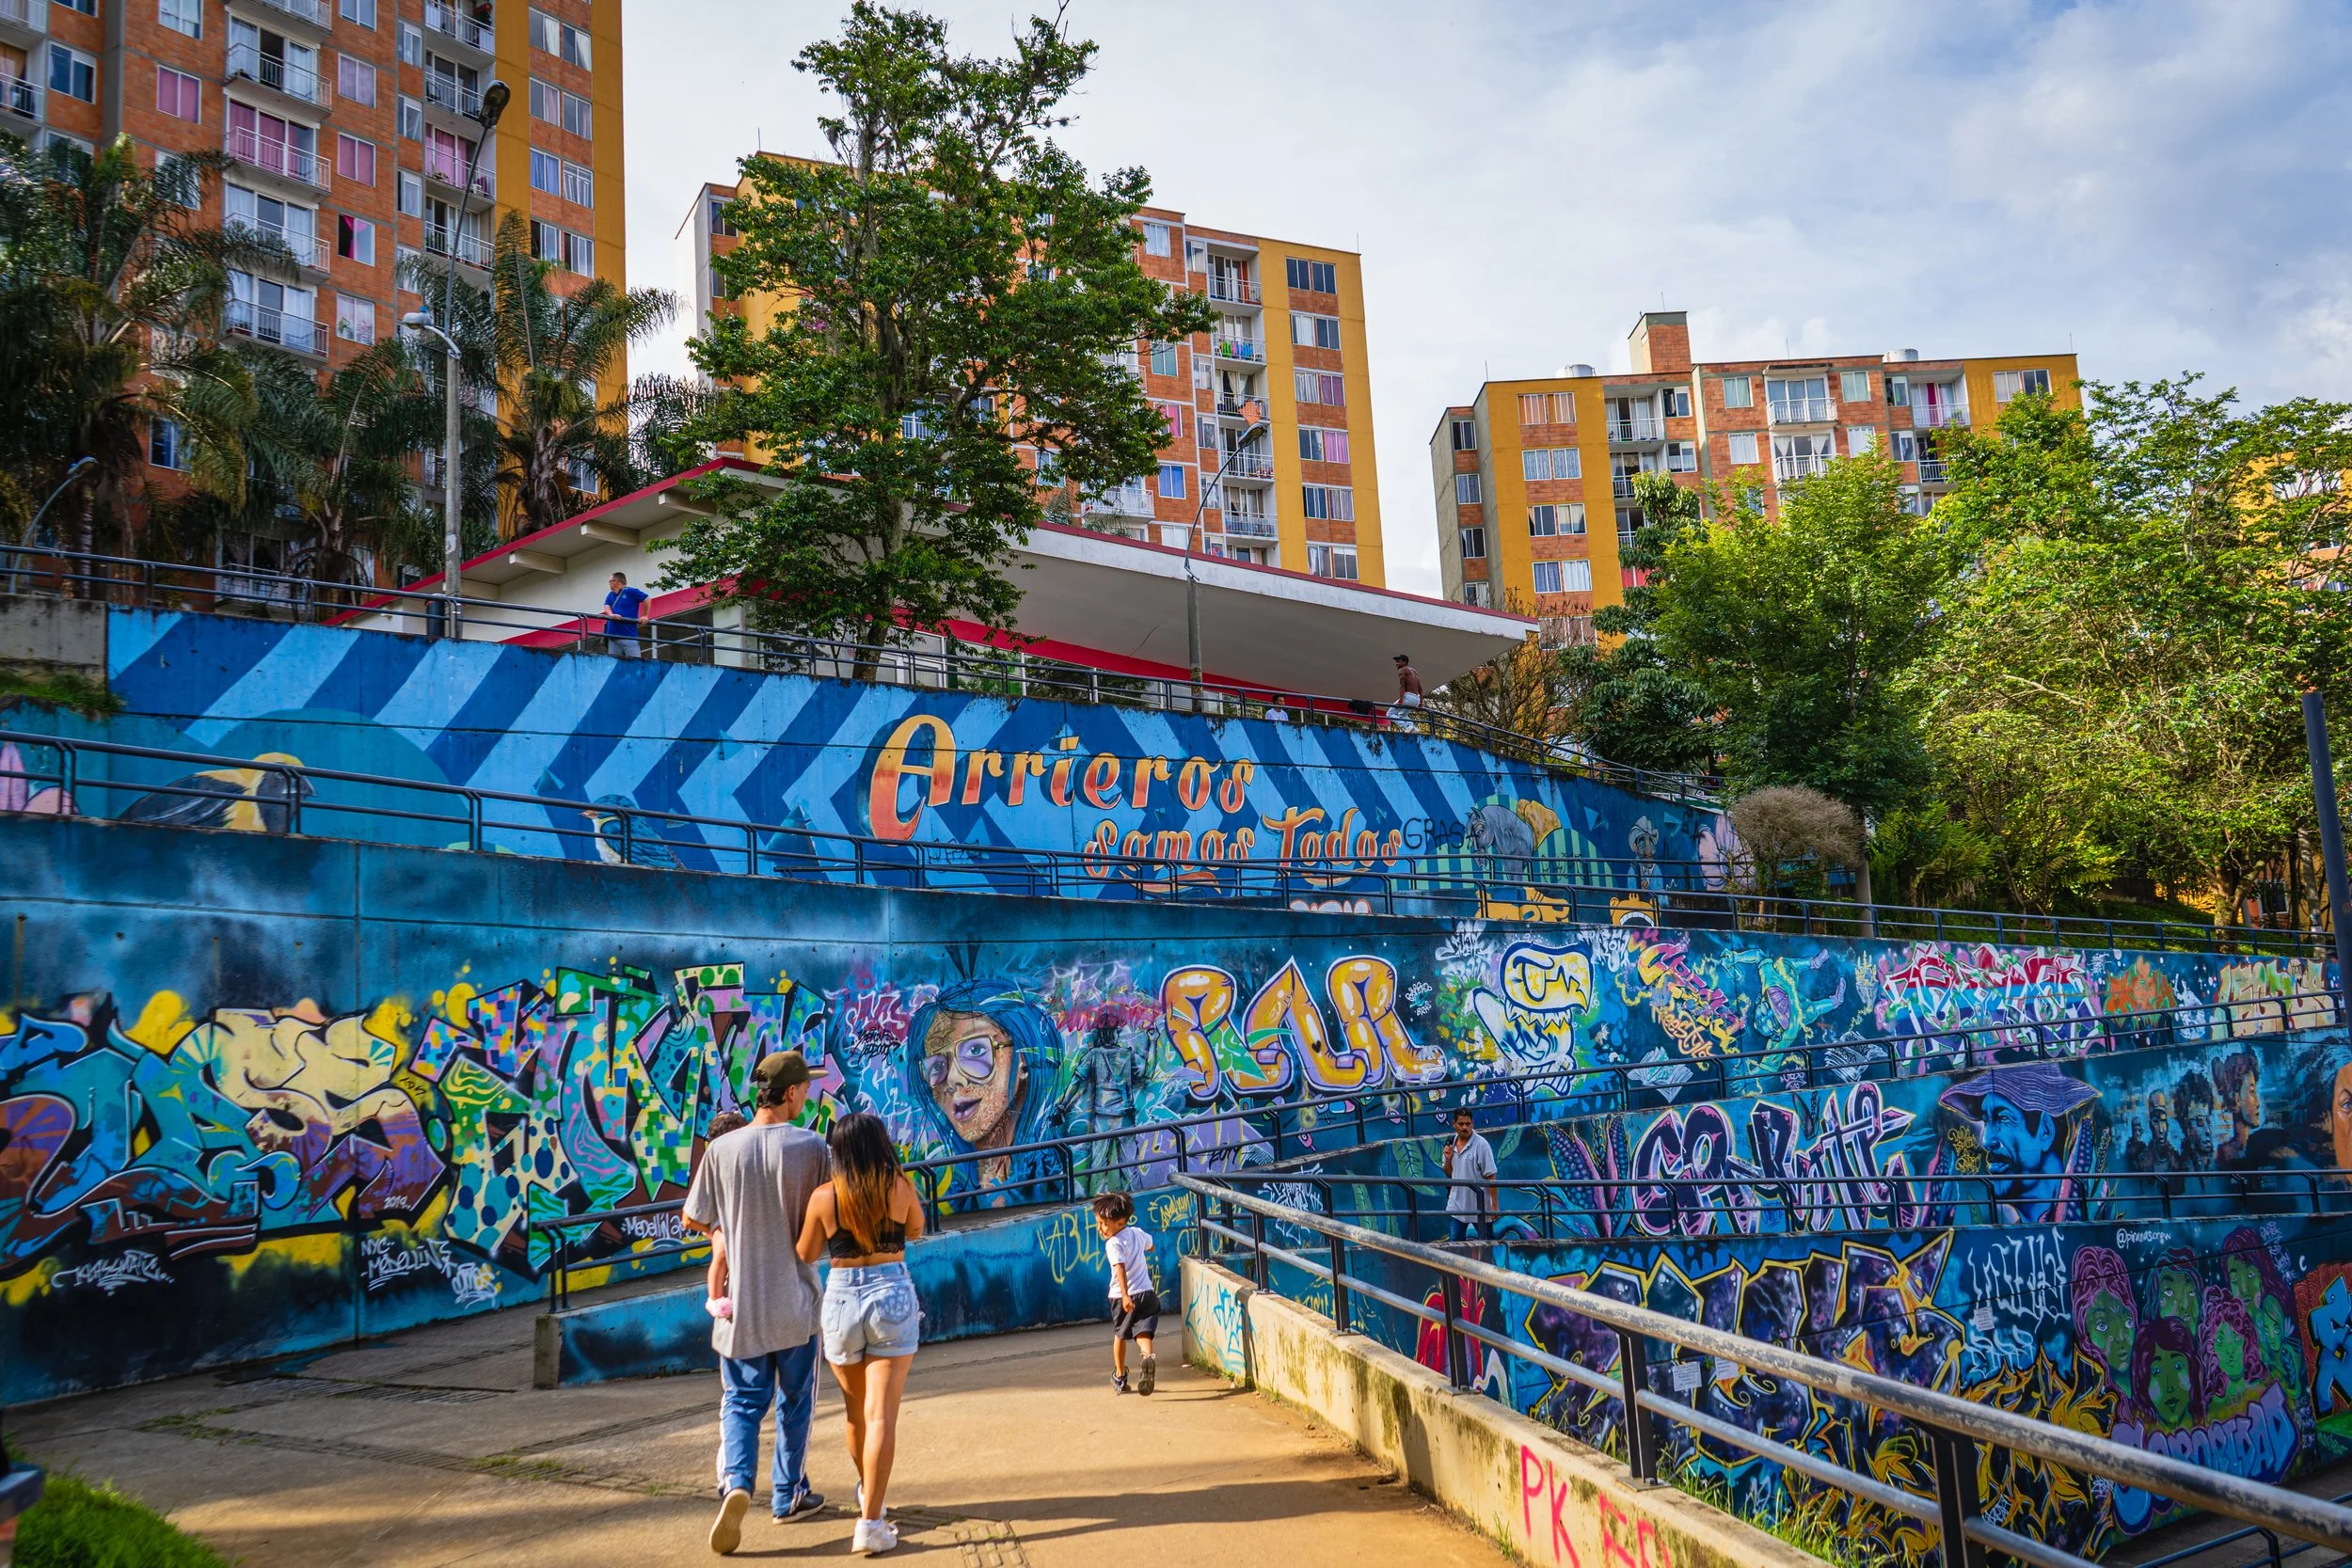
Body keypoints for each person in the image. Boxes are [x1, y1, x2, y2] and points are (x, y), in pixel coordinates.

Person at [682, 1052, 830, 1557]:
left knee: (742, 1403)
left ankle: (738, 1482)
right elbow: (826, 1217)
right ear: (790, 1093)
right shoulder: (812, 1147)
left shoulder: (722, 1150)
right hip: (795, 1303)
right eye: (805, 1088)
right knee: (796, 1402)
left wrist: (724, 1237)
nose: (807, 1095)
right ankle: (789, 1494)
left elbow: (693, 1215)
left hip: (741, 1306)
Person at [797, 1113, 926, 1558]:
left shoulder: (824, 1196)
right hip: (890, 1293)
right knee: (881, 1417)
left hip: (840, 1301)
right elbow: (915, 1228)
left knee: (856, 1414)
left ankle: (871, 1497)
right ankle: (870, 1521)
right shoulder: (901, 1186)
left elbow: (806, 1253)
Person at [1094, 1192, 1159, 1395]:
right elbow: (1152, 1245)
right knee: (1144, 1332)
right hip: (1146, 1292)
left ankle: (1120, 1376)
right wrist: (1142, 1249)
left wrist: (1124, 1295)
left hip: (1123, 1295)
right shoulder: (1137, 1233)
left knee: (1120, 1335)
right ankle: (1147, 1357)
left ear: (1120, 1222)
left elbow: (1120, 1267)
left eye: (1104, 1223)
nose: (1100, 1228)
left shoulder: (1112, 1244)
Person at [701, 1111, 750, 1324]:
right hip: (724, 1216)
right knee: (721, 1255)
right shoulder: (717, 1161)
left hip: (732, 1216)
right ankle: (716, 1298)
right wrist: (715, 1232)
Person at [1441, 1105, 1496, 1243]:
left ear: (1472, 1123)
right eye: (1461, 1124)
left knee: (1488, 1245)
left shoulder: (1481, 1145)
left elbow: (1491, 1176)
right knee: (1455, 1246)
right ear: (1454, 1124)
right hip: (1457, 1205)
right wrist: (1448, 1160)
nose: (1464, 1127)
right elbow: (1449, 1174)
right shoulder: (1450, 1143)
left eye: (1468, 1124)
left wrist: (1494, 1205)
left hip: (1480, 1206)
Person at [605, 571, 650, 657]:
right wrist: (611, 615)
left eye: (610, 581)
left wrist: (645, 615)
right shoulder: (611, 595)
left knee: (635, 661)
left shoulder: (631, 591)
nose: (609, 584)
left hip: (628, 635)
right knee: (614, 663)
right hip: (613, 636)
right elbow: (607, 607)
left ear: (617, 582)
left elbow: (647, 599)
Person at [1389, 653, 1424, 729]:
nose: (1396, 664)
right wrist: (1421, 702)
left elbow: (1402, 686)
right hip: (1416, 699)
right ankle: (1413, 728)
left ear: (1404, 662)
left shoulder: (1402, 670)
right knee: (1402, 715)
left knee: (1390, 713)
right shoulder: (1414, 671)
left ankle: (1406, 726)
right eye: (1396, 662)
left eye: (1398, 661)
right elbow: (1420, 689)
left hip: (1408, 697)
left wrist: (1401, 701)